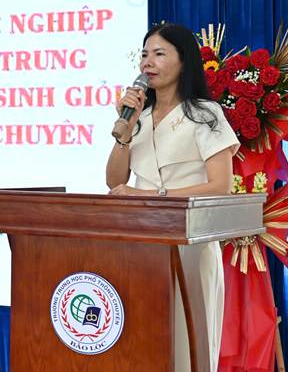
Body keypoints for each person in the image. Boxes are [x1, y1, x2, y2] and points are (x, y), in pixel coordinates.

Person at [105, 22, 239, 372]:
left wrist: (151, 196)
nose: (147, 62)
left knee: (187, 347)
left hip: (190, 245)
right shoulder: (141, 116)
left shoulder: (205, 114)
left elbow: (220, 186)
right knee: (143, 343)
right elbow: (115, 182)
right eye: (144, 54)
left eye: (159, 54)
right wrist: (125, 130)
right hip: (141, 246)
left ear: (183, 61)